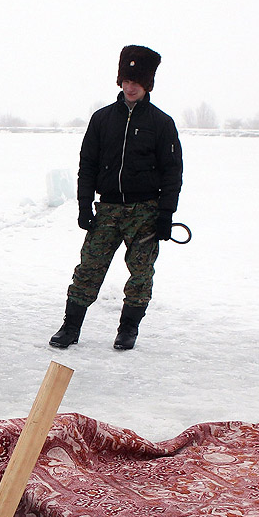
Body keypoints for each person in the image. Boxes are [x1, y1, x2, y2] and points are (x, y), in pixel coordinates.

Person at [49, 45, 183, 351]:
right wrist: (84, 204)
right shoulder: (102, 119)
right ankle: (70, 328)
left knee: (141, 274)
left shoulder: (162, 124)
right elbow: (88, 164)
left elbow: (172, 173)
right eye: (127, 79)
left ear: (147, 84)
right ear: (120, 81)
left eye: (138, 81)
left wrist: (165, 214)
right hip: (107, 208)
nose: (131, 86)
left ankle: (128, 329)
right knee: (88, 270)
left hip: (145, 211)